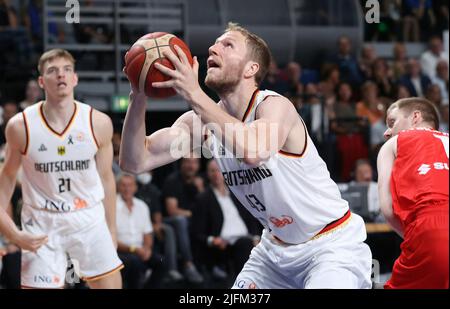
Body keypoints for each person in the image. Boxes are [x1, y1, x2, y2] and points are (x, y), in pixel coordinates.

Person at [120, 23, 372, 288]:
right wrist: (138, 97)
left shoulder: (274, 106)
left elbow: (254, 151)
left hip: (330, 245)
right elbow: (135, 161)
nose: (212, 48)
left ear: (251, 69)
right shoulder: (201, 124)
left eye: (227, 45)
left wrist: (195, 94)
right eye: (215, 44)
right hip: (274, 253)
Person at [0, 48, 122, 289]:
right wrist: (12, 233)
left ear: (75, 78)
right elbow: (6, 180)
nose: (61, 75)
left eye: (67, 69)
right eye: (52, 71)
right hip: (42, 220)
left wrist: (112, 229)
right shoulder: (20, 126)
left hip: (88, 216)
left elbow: (107, 179)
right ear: (41, 81)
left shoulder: (98, 122)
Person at [377, 97, 449, 289]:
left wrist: (414, 236)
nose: (387, 132)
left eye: (392, 122)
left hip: (431, 227)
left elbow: (388, 209)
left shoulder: (395, 143)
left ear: (415, 117)